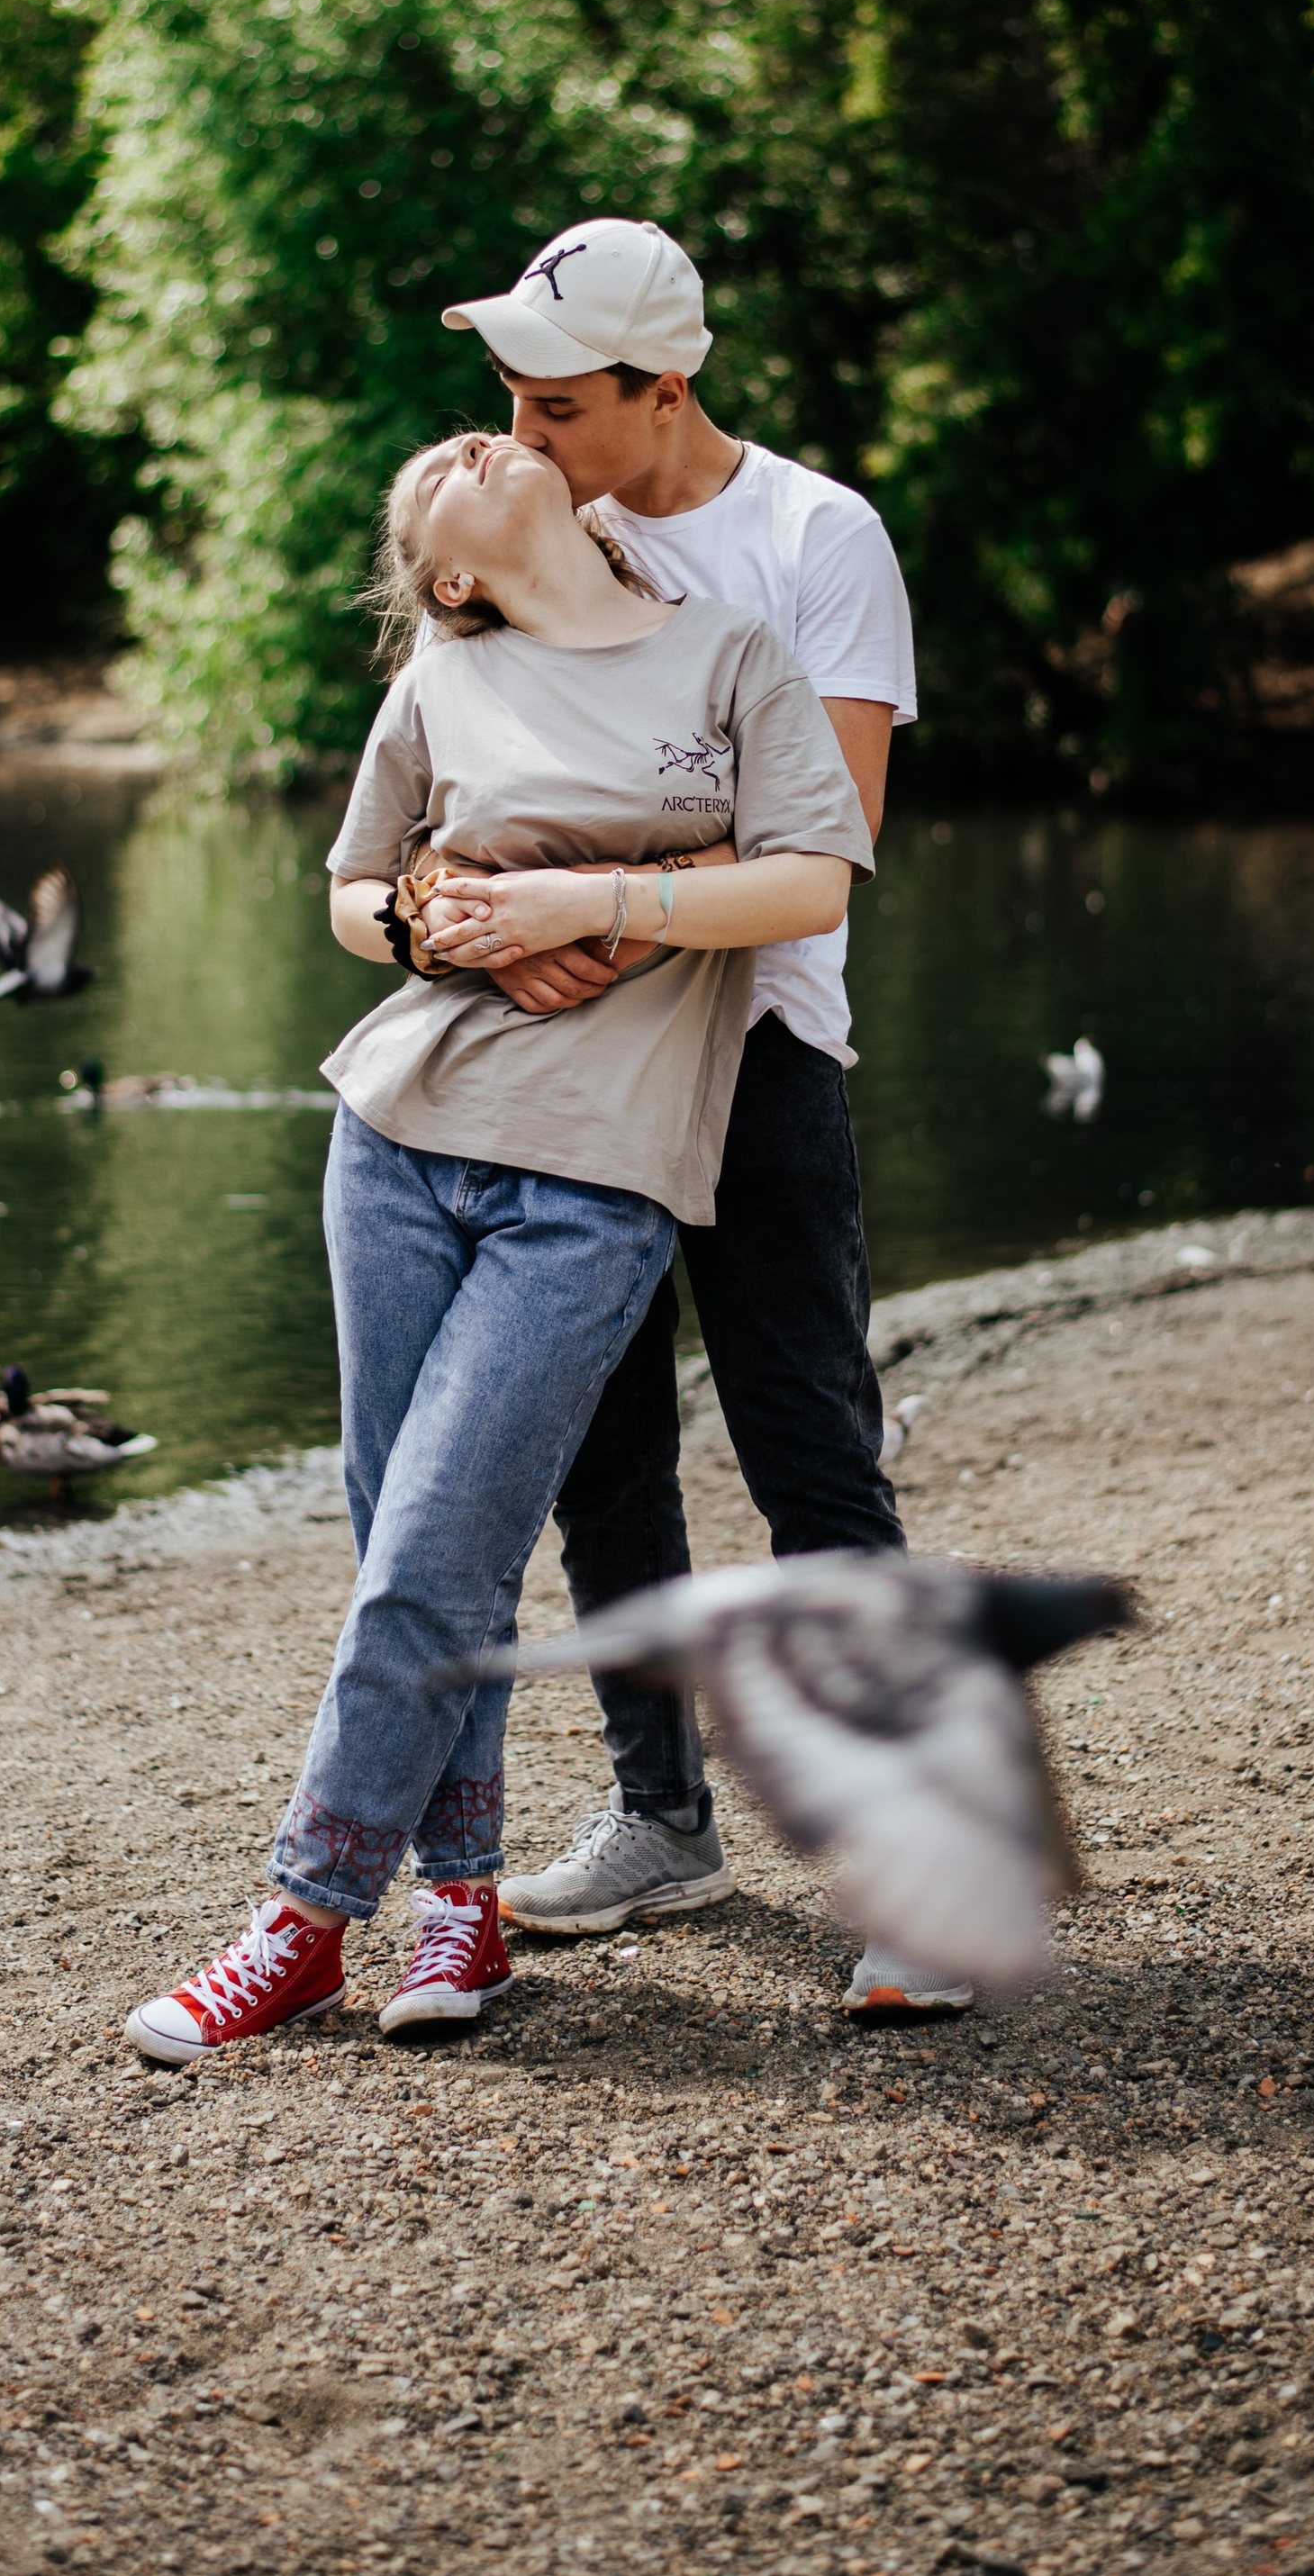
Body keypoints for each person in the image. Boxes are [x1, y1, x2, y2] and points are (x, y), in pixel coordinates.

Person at [125, 427, 871, 2056]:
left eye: (483, 435)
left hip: (598, 1175)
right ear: (449, 576)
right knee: (412, 1544)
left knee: (432, 1550)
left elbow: (813, 878)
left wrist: (587, 904)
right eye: (431, 478)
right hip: (395, 1136)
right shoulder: (443, 684)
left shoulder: (731, 653)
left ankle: (303, 1917)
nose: (471, 440)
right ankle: (458, 1905)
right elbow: (348, 894)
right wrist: (429, 922)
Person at [441, 217, 960, 2017]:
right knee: (598, 1455)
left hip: (755, 1061)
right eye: (506, 394)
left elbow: (815, 855)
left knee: (811, 1451)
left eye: (557, 402)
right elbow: (459, 777)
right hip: (570, 1071)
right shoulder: (534, 519)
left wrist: (590, 906)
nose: (518, 431)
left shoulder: (816, 540)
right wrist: (487, 923)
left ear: (668, 389)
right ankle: (661, 1820)